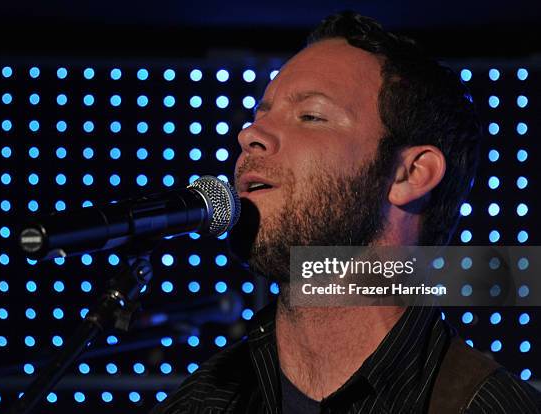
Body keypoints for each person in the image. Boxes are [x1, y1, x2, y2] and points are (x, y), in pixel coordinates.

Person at [152, 11, 541, 413]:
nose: (250, 134)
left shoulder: (488, 406)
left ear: (410, 175)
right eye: (260, 116)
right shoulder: (201, 402)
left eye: (311, 116)